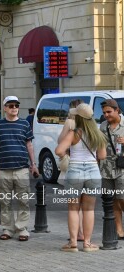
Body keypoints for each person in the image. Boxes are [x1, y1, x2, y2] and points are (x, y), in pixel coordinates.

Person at [56, 103, 107, 252]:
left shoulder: (74, 133)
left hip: (74, 171)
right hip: (93, 172)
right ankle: (87, 243)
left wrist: (67, 155)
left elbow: (59, 150)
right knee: (89, 210)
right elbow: (102, 155)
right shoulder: (99, 134)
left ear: (78, 117)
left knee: (73, 208)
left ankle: (73, 243)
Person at [0, 96, 39, 242]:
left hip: (22, 168)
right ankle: (8, 228)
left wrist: (34, 164)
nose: (14, 108)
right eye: (10, 105)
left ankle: (22, 228)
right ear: (4, 108)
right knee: (5, 201)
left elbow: (29, 145)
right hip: (4, 168)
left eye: (16, 105)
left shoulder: (24, 124)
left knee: (23, 200)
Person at [57, 99, 84, 241]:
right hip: (87, 167)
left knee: (73, 204)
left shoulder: (69, 123)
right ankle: (84, 234)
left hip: (72, 164)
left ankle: (76, 235)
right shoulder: (88, 124)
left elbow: (60, 141)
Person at [99, 99, 124, 239]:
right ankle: (119, 230)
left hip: (122, 168)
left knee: (122, 198)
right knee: (112, 200)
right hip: (106, 169)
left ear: (117, 110)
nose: (106, 115)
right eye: (104, 113)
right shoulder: (103, 126)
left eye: (109, 112)